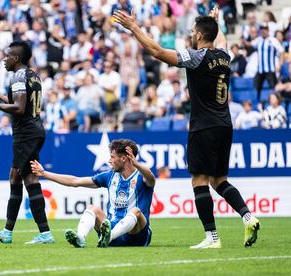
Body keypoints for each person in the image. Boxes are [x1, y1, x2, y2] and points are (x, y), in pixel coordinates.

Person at [113, 7, 260, 249]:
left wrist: (133, 28)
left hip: (203, 126)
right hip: (225, 125)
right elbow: (219, 38)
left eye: (193, 32)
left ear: (200, 36)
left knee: (199, 181)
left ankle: (212, 238)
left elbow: (157, 51)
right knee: (219, 180)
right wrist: (216, 22)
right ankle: (248, 216)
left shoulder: (197, 57)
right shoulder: (224, 55)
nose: (191, 34)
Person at [0, 41, 53, 244]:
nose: (3, 60)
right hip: (32, 130)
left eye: (7, 56)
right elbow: (24, 104)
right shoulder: (32, 74)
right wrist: (0, 95)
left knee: (24, 178)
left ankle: (43, 233)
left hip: (26, 133)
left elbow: (18, 108)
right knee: (19, 177)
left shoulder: (17, 76)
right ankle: (10, 232)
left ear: (16, 58)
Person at [30, 139, 155, 248]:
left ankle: (109, 236)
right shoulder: (109, 176)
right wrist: (44, 173)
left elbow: (151, 177)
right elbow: (75, 181)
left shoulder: (142, 177)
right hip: (113, 227)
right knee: (92, 208)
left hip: (137, 235)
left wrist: (136, 164)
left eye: (112, 157)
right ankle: (80, 238)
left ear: (123, 158)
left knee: (135, 211)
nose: (109, 160)